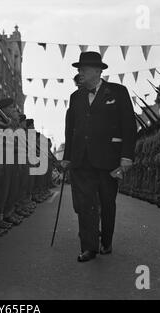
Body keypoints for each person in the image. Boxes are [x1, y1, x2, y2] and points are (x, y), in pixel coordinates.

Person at [62, 52, 137, 262]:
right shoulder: (75, 97)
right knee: (86, 204)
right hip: (82, 159)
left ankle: (106, 241)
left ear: (98, 71)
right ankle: (89, 247)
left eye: (84, 69)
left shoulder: (118, 92)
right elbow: (71, 129)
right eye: (79, 69)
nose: (80, 73)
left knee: (107, 202)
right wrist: (67, 156)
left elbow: (129, 126)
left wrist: (126, 157)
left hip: (109, 159)